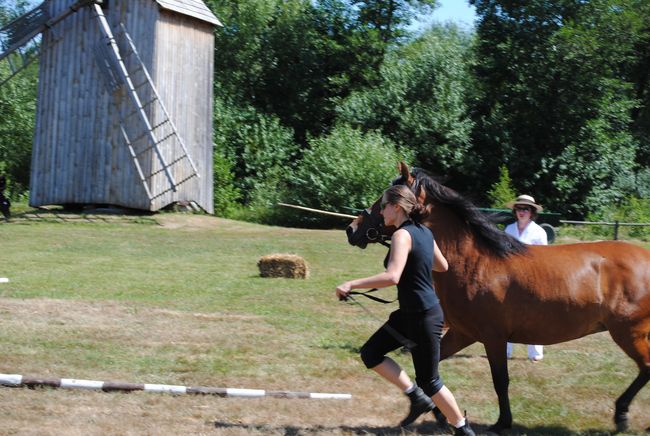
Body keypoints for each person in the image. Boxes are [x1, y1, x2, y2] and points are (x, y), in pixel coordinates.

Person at [336, 185, 475, 435]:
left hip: (424, 317)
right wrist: (416, 256)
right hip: (410, 314)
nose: (380, 212)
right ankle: (416, 397)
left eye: (384, 206)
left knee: (430, 381)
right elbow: (442, 265)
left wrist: (350, 284)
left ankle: (463, 429)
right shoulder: (423, 232)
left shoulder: (403, 235)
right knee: (371, 353)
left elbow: (392, 277)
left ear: (396, 207)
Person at [504, 194, 548, 361]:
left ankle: (535, 354)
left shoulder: (539, 232)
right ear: (515, 211)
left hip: (533, 279)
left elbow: (544, 260)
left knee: (534, 316)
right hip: (510, 279)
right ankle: (506, 352)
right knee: (507, 315)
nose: (522, 212)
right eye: (519, 208)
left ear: (532, 212)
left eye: (526, 209)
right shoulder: (508, 230)